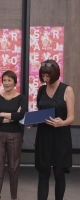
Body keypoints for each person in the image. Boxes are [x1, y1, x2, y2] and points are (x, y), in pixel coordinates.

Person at [35, 59, 75, 200]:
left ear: (56, 74)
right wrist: (32, 120)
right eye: (43, 76)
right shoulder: (41, 89)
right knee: (43, 173)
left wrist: (62, 123)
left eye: (48, 76)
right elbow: (39, 111)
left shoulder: (67, 89)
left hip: (60, 136)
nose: (45, 79)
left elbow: (71, 117)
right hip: (44, 136)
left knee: (59, 173)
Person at [0, 70, 28, 200]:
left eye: (9, 80)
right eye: (4, 80)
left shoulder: (21, 98)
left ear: (15, 82)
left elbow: (21, 115)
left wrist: (3, 114)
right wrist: (12, 115)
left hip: (15, 135)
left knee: (13, 167)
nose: (6, 83)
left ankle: (14, 197)